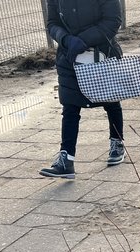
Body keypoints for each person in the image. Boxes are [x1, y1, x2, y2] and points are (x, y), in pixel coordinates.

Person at [40, 0, 126, 179]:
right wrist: (66, 39)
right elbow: (52, 23)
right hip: (69, 56)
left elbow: (113, 20)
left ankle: (117, 143)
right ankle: (66, 160)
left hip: (102, 52)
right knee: (70, 106)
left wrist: (84, 40)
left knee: (110, 100)